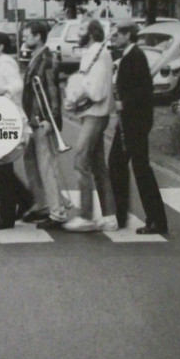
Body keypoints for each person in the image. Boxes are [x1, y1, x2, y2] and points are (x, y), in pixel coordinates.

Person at [108, 19, 168, 234]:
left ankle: (156, 220)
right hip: (129, 121)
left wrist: (123, 102)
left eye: (117, 34)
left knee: (140, 169)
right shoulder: (128, 56)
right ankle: (121, 214)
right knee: (118, 164)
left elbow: (143, 91)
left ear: (128, 35)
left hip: (135, 122)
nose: (114, 37)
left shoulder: (135, 56)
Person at [63, 19, 118, 232]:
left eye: (82, 30)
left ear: (92, 33)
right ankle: (110, 216)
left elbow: (96, 90)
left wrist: (74, 97)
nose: (78, 34)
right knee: (97, 165)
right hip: (94, 113)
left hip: (95, 114)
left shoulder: (97, 54)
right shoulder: (95, 53)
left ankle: (86, 216)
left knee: (80, 160)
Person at [19, 22, 74, 228]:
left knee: (47, 167)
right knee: (31, 162)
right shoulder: (36, 57)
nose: (24, 39)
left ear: (38, 36)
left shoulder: (47, 59)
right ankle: (42, 204)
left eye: (28, 35)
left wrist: (50, 120)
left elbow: (52, 92)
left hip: (43, 121)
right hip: (33, 120)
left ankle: (57, 212)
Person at [0, 32, 34, 230]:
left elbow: (17, 84)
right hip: (2, 119)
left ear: (1, 46)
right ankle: (23, 199)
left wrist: (5, 90)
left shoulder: (6, 64)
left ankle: (7, 215)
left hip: (8, 119)